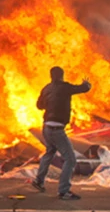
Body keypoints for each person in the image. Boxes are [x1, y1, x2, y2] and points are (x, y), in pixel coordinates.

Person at [31, 66, 91, 200]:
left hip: (46, 128)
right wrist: (87, 84)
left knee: (49, 152)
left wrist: (50, 103)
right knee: (70, 159)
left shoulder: (46, 88)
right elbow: (82, 88)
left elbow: (39, 106)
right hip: (57, 129)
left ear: (51, 76)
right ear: (62, 75)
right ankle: (64, 191)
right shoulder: (65, 87)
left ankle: (39, 181)